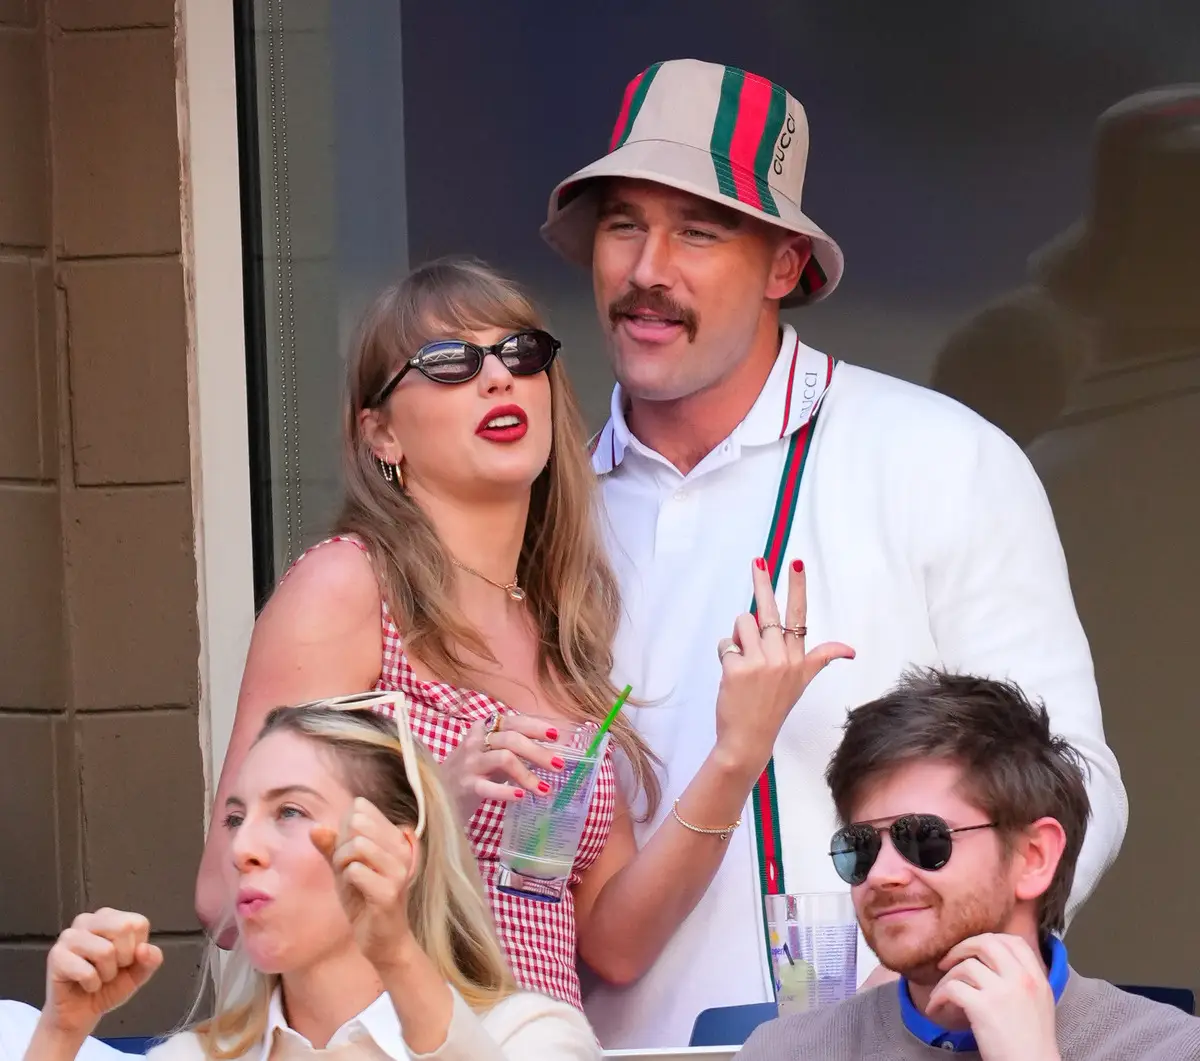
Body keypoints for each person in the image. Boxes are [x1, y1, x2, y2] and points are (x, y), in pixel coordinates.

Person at [539, 57, 1128, 1046]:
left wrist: (947, 981)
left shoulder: (940, 456)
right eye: (623, 225)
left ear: (784, 267)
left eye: (698, 230)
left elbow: (1070, 779)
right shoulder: (542, 511)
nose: (648, 270)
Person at [193, 257, 850, 1010]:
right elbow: (226, 896)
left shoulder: (559, 631)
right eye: (450, 363)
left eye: (521, 353)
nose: (499, 378)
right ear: (381, 434)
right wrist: (435, 805)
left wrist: (738, 753)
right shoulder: (350, 586)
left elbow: (614, 943)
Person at [17, 700, 600, 1061]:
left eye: (289, 812)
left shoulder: (528, 1036)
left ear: (400, 850)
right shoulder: (196, 1057)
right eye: (235, 819)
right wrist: (59, 1036)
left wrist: (398, 955)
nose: (242, 849)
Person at [738, 670, 1200, 1059]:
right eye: (860, 847)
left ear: (1034, 857)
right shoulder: (783, 1051)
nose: (881, 874)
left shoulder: (1170, 1049)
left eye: (923, 838)